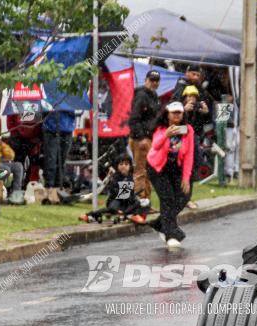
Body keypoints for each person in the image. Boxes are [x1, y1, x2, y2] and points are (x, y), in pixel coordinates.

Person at [146, 102, 194, 248]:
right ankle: (170, 234)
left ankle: (159, 223)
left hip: (175, 168)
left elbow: (189, 155)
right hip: (157, 167)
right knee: (167, 199)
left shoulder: (187, 130)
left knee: (184, 196)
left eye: (179, 112)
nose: (176, 115)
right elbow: (155, 145)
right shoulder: (161, 128)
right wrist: (166, 135)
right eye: (173, 113)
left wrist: (186, 178)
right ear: (167, 114)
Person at [80, 154, 149, 224]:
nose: (123, 166)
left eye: (126, 164)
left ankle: (133, 215)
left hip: (127, 202)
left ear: (130, 166)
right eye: (121, 164)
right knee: (112, 208)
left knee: (145, 202)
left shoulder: (130, 178)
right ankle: (89, 215)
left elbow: (128, 196)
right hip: (116, 200)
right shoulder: (116, 177)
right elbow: (119, 194)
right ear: (117, 166)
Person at [127, 70, 161, 200]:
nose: (154, 83)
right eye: (152, 80)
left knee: (147, 171)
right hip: (141, 139)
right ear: (146, 80)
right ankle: (140, 201)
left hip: (149, 137)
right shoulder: (142, 96)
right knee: (141, 171)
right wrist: (141, 138)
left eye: (157, 81)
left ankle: (145, 200)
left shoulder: (153, 96)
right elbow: (133, 119)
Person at [42, 108, 76, 190]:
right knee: (51, 160)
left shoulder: (72, 95)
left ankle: (58, 185)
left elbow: (77, 110)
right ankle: (50, 186)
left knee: (62, 160)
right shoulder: (49, 95)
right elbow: (43, 109)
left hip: (66, 129)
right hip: (51, 129)